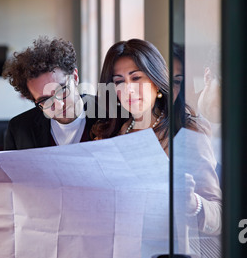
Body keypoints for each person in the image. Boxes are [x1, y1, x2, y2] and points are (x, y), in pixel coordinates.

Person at [91, 38, 222, 235]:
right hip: (116, 250)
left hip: (166, 255)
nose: (129, 89)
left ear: (156, 80)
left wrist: (192, 203)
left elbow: (218, 215)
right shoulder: (105, 136)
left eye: (136, 78)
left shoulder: (187, 131)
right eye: (119, 81)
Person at [0, 36, 99, 182]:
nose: (59, 105)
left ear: (74, 77)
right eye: (44, 100)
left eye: (62, 90)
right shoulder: (20, 129)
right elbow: (9, 181)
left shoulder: (111, 115)